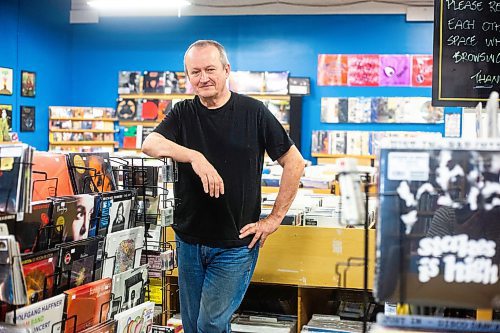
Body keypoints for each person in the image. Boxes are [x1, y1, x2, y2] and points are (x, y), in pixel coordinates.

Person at [142, 40, 304, 332]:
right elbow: (150, 144)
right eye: (195, 72)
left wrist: (274, 219)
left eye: (210, 69)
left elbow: (295, 163)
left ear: (226, 70)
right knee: (192, 326)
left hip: (235, 244)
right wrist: (195, 156)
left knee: (210, 325)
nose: (203, 78)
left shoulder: (253, 112)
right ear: (188, 77)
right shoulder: (183, 113)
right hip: (189, 241)